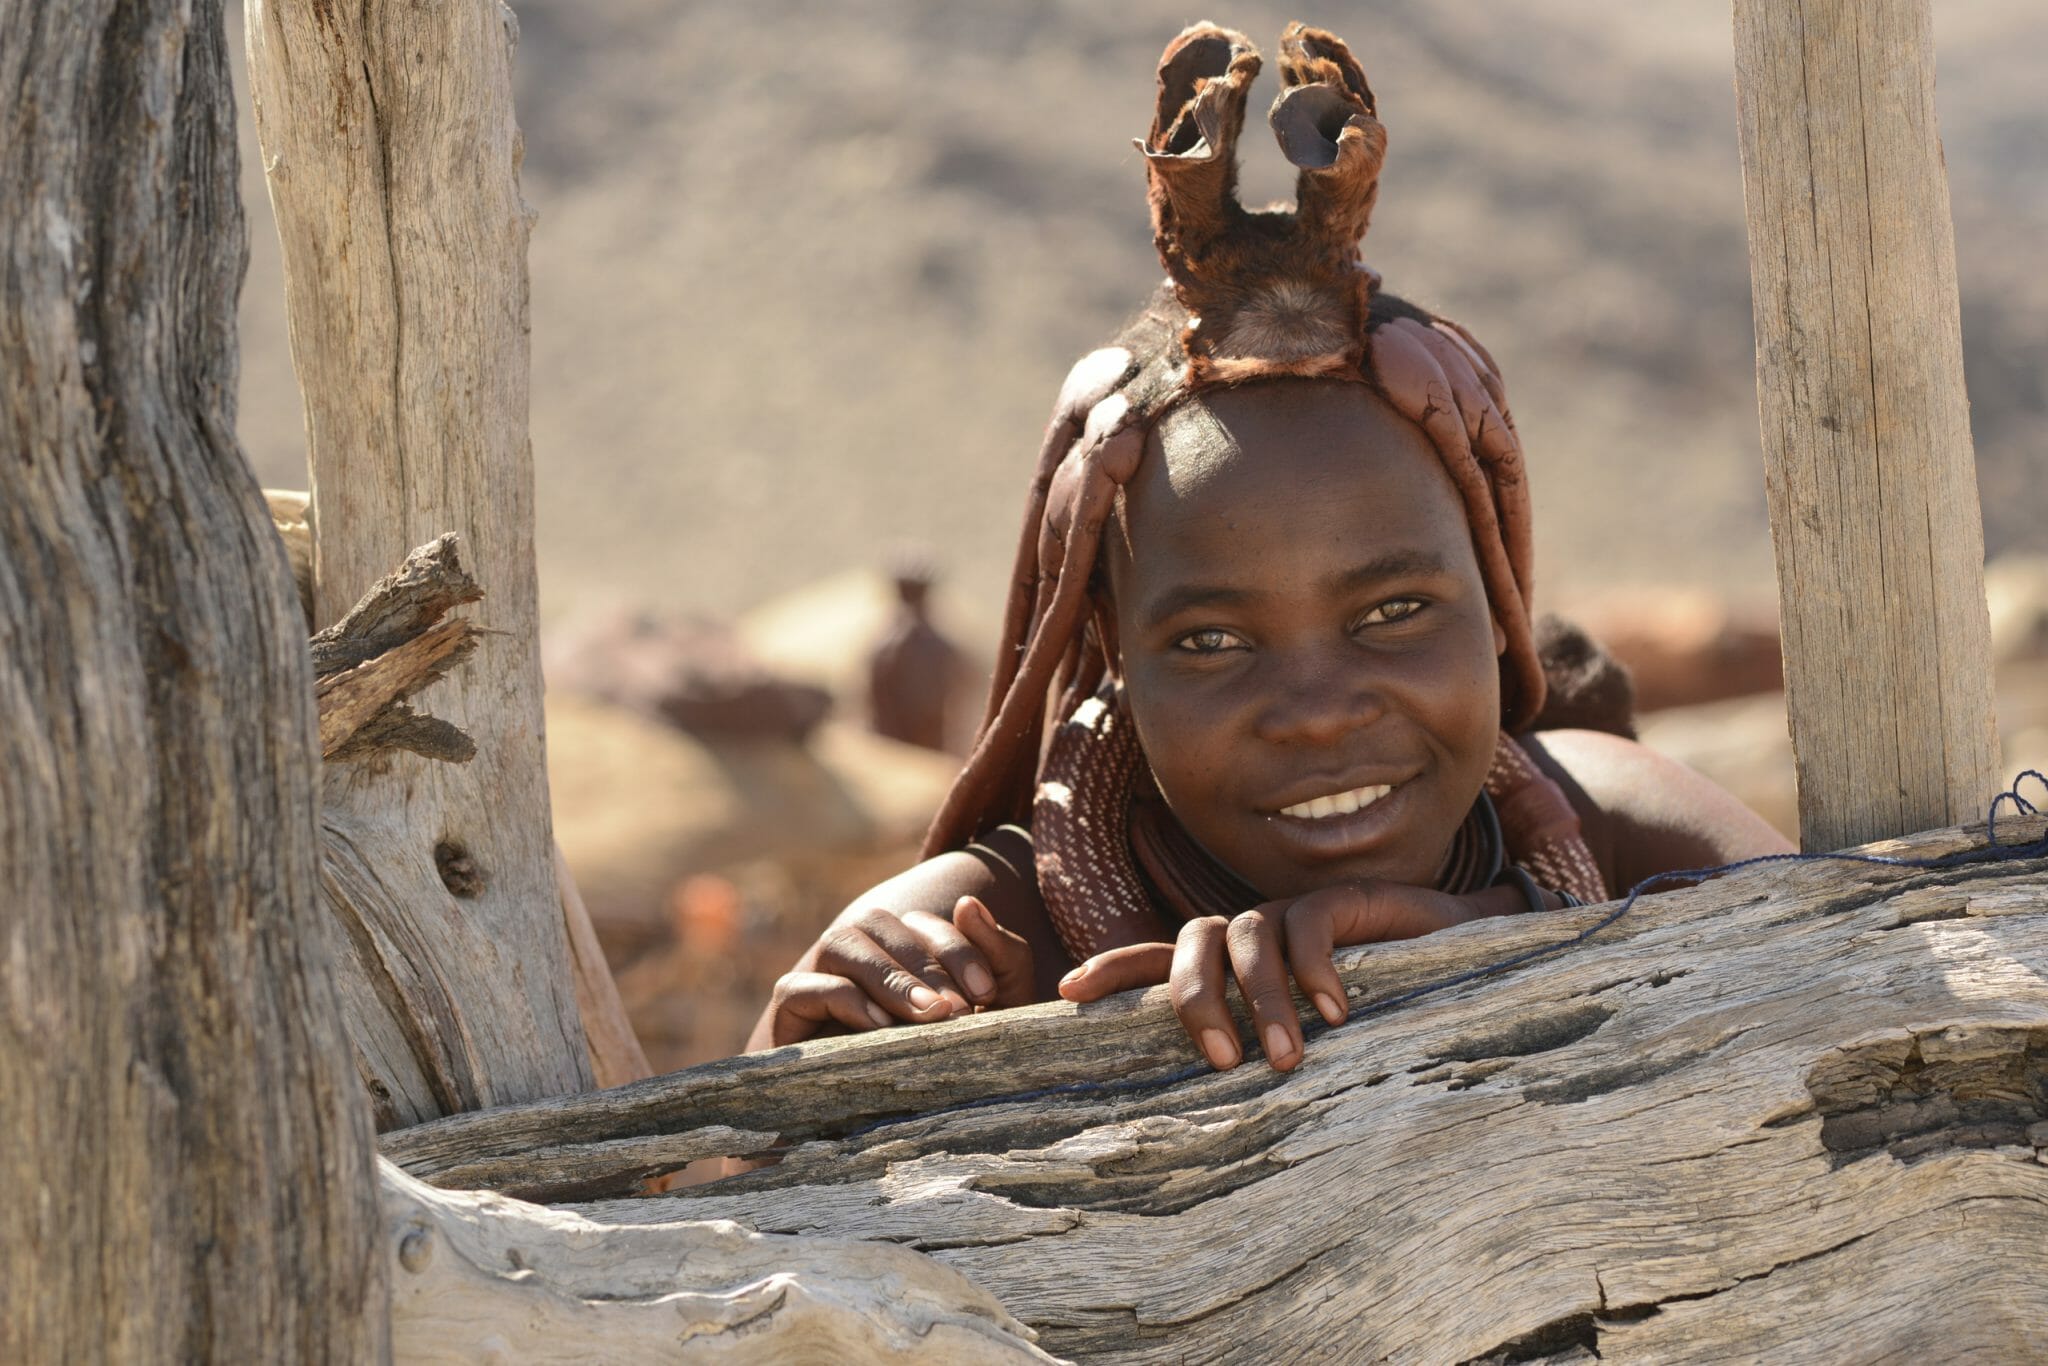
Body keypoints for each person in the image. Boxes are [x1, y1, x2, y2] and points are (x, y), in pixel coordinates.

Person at [746, 21, 1790, 1072]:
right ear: (1112, 648)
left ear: (1494, 592)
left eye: (1390, 613)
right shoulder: (980, 949)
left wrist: (1508, 952)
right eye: (1209, 641)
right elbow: (696, 1200)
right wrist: (784, 1084)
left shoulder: (1614, 829)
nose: (1316, 712)